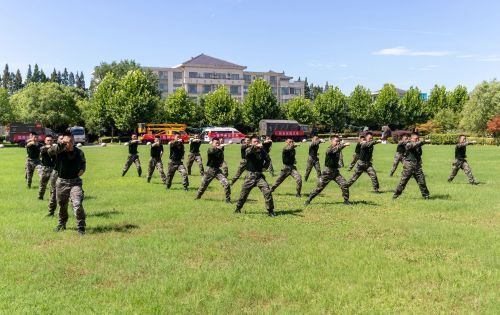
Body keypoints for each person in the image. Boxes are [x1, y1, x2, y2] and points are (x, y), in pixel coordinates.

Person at [49, 131, 87, 235]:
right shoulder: (59, 151)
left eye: (71, 141)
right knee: (62, 205)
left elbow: (83, 163)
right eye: (66, 141)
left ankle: (81, 227)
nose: (69, 143)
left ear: (73, 140)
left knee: (77, 204)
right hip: (61, 182)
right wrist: (61, 144)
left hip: (75, 182)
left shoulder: (79, 152)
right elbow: (50, 152)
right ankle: (62, 224)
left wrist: (83, 169)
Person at [235, 135, 275, 217]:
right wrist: (255, 146)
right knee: (244, 194)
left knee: (267, 192)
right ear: (251, 143)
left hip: (259, 176)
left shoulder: (262, 150)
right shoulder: (248, 150)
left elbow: (268, 160)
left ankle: (270, 211)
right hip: (250, 176)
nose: (256, 143)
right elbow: (248, 152)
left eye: (257, 141)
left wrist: (265, 167)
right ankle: (238, 208)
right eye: (254, 142)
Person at [305, 136, 351, 206]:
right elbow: (334, 150)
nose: (337, 142)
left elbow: (338, 152)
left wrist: (338, 164)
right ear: (331, 141)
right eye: (336, 141)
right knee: (319, 188)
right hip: (327, 172)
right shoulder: (329, 149)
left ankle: (346, 201)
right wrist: (343, 145)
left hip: (335, 172)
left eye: (338, 141)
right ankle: (308, 199)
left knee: (344, 184)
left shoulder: (338, 149)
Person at [393, 133, 431, 199]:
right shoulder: (408, 144)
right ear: (411, 139)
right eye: (416, 139)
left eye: (418, 139)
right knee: (403, 182)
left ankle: (426, 196)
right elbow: (414, 145)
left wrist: (419, 161)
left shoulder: (418, 145)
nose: (417, 140)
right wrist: (424, 141)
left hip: (417, 165)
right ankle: (396, 194)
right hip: (409, 165)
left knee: (422, 181)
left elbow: (419, 154)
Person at [195, 137, 231, 203]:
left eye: (218, 143)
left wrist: (221, 163)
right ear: (212, 143)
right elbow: (211, 152)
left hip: (217, 171)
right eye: (216, 143)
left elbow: (221, 158)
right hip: (209, 170)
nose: (218, 144)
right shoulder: (210, 149)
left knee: (227, 183)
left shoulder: (220, 150)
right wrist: (217, 148)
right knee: (203, 186)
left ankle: (228, 200)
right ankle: (197, 197)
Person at [38, 135, 56, 200]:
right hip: (45, 168)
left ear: (53, 141)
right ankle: (40, 197)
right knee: (42, 184)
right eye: (48, 140)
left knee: (53, 185)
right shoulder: (42, 148)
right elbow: (42, 149)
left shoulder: (55, 148)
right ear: (45, 141)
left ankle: (52, 198)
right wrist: (49, 147)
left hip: (54, 169)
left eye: (51, 140)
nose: (49, 141)